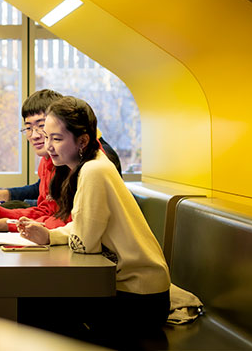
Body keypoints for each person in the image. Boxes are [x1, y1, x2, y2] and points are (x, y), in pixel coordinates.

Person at [17, 97, 170, 343]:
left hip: (139, 298)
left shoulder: (93, 171)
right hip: (137, 291)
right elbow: (83, 231)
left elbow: (84, 244)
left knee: (31, 304)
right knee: (34, 301)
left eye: (56, 139)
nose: (49, 147)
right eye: (47, 138)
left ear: (82, 141)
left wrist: (54, 236)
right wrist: (49, 235)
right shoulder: (90, 165)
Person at [0, 89, 122, 232]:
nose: (35, 135)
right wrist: (4, 213)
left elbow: (74, 225)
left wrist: (12, 223)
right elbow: (48, 209)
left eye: (42, 127)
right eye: (28, 128)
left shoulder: (91, 165)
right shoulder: (53, 160)